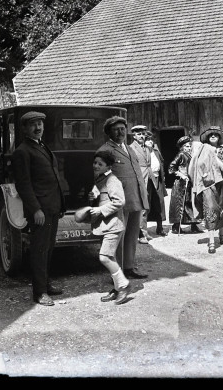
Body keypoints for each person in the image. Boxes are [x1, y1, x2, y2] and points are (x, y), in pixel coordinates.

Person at [11, 111, 66, 306]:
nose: (38, 127)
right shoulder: (22, 151)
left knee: (48, 249)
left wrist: (58, 205)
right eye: (33, 124)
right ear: (25, 129)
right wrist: (35, 210)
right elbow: (23, 185)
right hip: (40, 211)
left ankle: (45, 284)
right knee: (39, 250)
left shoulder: (41, 146)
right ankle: (40, 292)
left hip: (51, 207)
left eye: (40, 123)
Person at [97, 116, 149, 281]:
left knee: (132, 235)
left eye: (122, 129)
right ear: (109, 133)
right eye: (115, 130)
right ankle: (117, 274)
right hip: (118, 202)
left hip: (135, 198)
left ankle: (129, 267)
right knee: (117, 238)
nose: (120, 132)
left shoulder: (130, 148)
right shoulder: (105, 150)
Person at [86, 150, 132, 305]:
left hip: (114, 226)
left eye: (100, 164)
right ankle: (117, 288)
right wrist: (93, 197)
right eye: (95, 163)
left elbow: (119, 202)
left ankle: (124, 285)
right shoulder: (100, 180)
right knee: (111, 258)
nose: (96, 166)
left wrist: (100, 210)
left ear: (109, 167)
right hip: (105, 226)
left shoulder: (112, 181)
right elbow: (101, 197)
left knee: (104, 257)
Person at [189, 125, 223, 254]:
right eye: (211, 134)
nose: (213, 136)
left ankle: (221, 233)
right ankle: (211, 241)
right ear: (207, 138)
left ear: (219, 137)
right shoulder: (202, 149)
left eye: (216, 134)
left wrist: (214, 155)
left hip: (222, 182)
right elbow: (195, 164)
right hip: (207, 182)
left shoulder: (222, 150)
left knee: (222, 207)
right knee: (210, 208)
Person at [167, 136, 200, 234]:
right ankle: (176, 227)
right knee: (179, 204)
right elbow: (171, 168)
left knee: (191, 203)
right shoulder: (181, 155)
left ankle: (193, 225)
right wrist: (181, 175)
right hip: (181, 183)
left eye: (189, 146)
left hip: (189, 182)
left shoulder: (191, 156)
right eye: (186, 146)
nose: (188, 148)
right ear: (182, 148)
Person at [128, 125, 155, 242]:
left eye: (143, 134)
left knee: (146, 206)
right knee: (140, 208)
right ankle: (140, 235)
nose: (142, 136)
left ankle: (144, 231)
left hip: (148, 179)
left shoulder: (147, 148)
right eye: (139, 134)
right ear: (134, 136)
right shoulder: (130, 148)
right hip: (138, 180)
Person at [143, 130, 168, 236]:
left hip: (157, 179)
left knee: (160, 203)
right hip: (146, 179)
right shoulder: (142, 151)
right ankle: (143, 231)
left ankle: (160, 227)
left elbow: (161, 164)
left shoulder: (156, 151)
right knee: (146, 203)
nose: (149, 142)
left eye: (151, 140)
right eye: (147, 140)